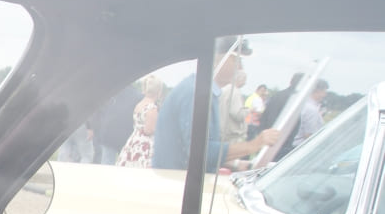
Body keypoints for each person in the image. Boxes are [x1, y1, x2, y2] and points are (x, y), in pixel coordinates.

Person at [151, 37, 279, 172]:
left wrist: (235, 164)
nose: (240, 67)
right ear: (217, 59)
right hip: (176, 184)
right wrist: (255, 144)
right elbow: (200, 153)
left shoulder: (201, 90)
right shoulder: (196, 93)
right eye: (236, 59)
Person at [116, 76, 163, 168]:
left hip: (134, 140)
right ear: (158, 92)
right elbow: (148, 130)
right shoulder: (152, 108)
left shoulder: (139, 104)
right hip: (144, 145)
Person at [95, 81, 141, 164]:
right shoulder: (138, 95)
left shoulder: (113, 91)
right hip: (125, 135)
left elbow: (102, 109)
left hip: (108, 133)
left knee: (107, 162)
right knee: (124, 164)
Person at [294, 79, 328, 144]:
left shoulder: (301, 104)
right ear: (318, 91)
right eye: (324, 92)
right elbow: (309, 135)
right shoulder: (312, 110)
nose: (325, 95)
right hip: (299, 146)